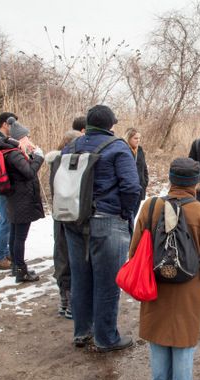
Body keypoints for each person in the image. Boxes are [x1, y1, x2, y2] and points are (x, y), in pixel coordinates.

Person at [129, 157, 200, 380]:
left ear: (171, 179)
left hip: (154, 283)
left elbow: (135, 251)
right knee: (183, 338)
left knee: (158, 335)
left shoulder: (150, 207)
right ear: (196, 183)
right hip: (189, 287)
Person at [63, 105, 142, 351]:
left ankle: (82, 332)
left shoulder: (71, 147)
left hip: (74, 221)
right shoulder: (118, 147)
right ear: (110, 125)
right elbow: (131, 188)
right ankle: (106, 338)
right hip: (107, 221)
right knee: (107, 282)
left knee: (81, 278)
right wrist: (125, 214)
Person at [0, 117, 45, 282]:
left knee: (15, 234)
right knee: (19, 236)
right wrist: (38, 157)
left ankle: (17, 267)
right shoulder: (15, 154)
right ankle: (21, 270)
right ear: (21, 138)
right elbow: (29, 173)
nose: (29, 140)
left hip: (15, 199)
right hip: (21, 200)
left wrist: (29, 155)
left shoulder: (10, 152)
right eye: (27, 137)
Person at [0, 112, 30, 270]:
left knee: (10, 219)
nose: (15, 127)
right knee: (6, 220)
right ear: (5, 124)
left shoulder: (3, 140)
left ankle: (7, 252)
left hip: (7, 185)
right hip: (1, 185)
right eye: (13, 124)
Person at [46, 129, 82, 318]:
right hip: (70, 216)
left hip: (59, 215)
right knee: (69, 258)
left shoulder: (56, 161)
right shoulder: (66, 162)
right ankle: (69, 302)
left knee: (62, 257)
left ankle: (65, 300)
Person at [124, 127, 149, 202]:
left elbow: (144, 168)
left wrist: (145, 182)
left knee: (135, 212)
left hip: (139, 188)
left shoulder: (140, 150)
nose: (138, 140)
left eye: (139, 138)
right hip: (127, 190)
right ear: (128, 138)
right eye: (135, 138)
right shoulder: (123, 150)